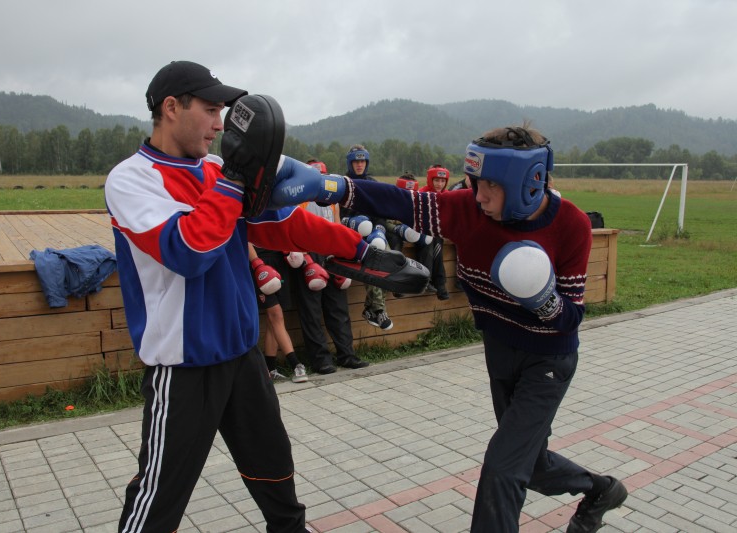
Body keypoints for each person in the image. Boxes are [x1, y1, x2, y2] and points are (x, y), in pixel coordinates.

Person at [270, 123, 628, 532]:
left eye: (491, 185)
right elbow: (402, 201)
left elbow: (571, 318)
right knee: (532, 462)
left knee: (502, 468)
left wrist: (542, 298)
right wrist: (330, 187)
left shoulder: (571, 226)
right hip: (499, 351)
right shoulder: (468, 210)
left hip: (549, 360)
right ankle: (601, 490)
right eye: (476, 182)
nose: (480, 195)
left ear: (528, 182)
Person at [105, 60, 410, 532]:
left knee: (275, 468)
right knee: (158, 497)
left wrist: (362, 250)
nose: (219, 125)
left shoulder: (213, 170)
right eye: (209, 110)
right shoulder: (132, 179)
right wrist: (232, 181)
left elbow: (282, 223)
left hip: (242, 354)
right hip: (184, 364)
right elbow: (187, 250)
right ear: (171, 108)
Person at [285, 161, 369, 373]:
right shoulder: (297, 199)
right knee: (311, 310)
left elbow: (338, 225)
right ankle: (320, 359)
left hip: (330, 252)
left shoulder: (332, 201)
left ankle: (346, 354)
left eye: (321, 177)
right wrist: (307, 260)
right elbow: (289, 230)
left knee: (338, 306)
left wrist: (343, 255)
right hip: (307, 253)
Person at [340, 145, 393, 331]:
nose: (360, 165)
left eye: (362, 161)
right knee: (372, 261)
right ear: (350, 162)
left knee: (389, 260)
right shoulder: (343, 183)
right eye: (356, 161)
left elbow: (381, 212)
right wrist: (350, 222)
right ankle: (378, 309)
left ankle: (370, 309)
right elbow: (338, 215)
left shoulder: (373, 183)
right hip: (353, 236)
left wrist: (380, 228)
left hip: (374, 234)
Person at [248, 242, 308, 383]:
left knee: (272, 321)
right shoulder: (247, 219)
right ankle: (296, 365)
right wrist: (257, 264)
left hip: (279, 261)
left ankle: (270, 369)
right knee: (276, 314)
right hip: (260, 263)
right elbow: (245, 238)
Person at [417, 164, 450, 300]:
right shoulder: (421, 193)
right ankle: (437, 283)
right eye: (437, 180)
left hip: (439, 232)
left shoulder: (448, 196)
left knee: (437, 240)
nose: (439, 184)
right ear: (430, 180)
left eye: (443, 181)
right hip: (421, 231)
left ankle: (435, 282)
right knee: (433, 240)